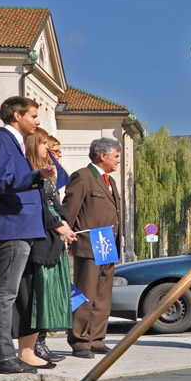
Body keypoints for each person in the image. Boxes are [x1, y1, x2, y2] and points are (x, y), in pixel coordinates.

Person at [0, 97, 57, 374]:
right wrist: (36, 176)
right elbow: (1, 181)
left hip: (19, 229)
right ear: (17, 115)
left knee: (8, 294)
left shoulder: (12, 145)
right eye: (33, 115)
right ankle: (1, 358)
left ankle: (6, 356)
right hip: (10, 229)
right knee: (3, 294)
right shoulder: (0, 142)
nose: (38, 121)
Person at [23, 128, 77, 367]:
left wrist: (65, 224)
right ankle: (34, 346)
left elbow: (55, 204)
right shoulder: (31, 174)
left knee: (50, 294)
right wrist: (59, 227)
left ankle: (39, 344)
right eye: (47, 146)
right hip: (41, 244)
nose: (54, 154)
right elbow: (42, 209)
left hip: (54, 241)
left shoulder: (47, 178)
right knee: (40, 296)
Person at [63, 138, 122, 358]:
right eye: (116, 156)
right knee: (85, 294)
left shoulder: (110, 181)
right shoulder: (83, 177)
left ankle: (97, 338)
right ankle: (80, 340)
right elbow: (69, 210)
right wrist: (65, 235)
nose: (118, 160)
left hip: (107, 243)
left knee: (103, 296)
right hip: (89, 243)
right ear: (102, 155)